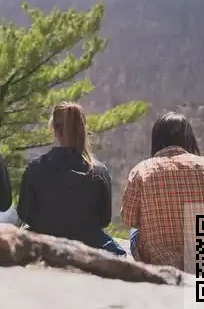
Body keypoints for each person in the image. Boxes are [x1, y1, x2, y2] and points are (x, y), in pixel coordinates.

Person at [121, 112, 204, 271]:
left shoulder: (140, 171)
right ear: (188, 138)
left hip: (158, 262)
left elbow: (128, 219)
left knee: (135, 231)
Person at [17, 102, 126, 256]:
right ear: (83, 130)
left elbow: (24, 213)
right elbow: (104, 220)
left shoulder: (35, 168)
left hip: (45, 244)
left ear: (55, 131)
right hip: (87, 245)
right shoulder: (99, 171)